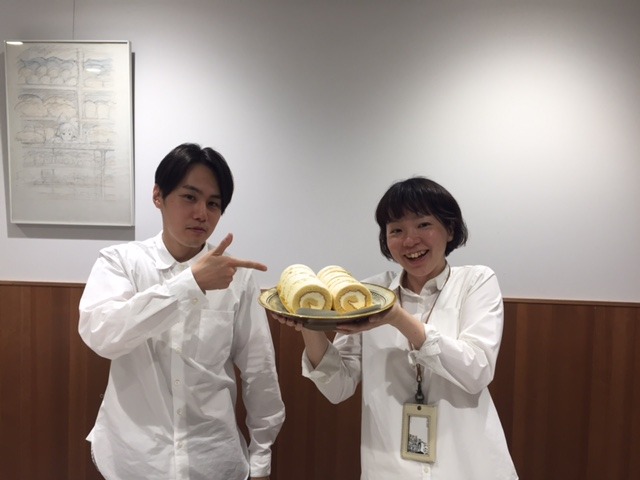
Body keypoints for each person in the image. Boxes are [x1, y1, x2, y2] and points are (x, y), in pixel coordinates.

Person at [276, 176, 518, 479]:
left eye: (423, 225)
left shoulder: (475, 282)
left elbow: (477, 371)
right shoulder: (370, 294)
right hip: (390, 467)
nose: (410, 240)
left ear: (450, 229)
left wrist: (397, 318)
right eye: (396, 230)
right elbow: (338, 388)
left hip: (467, 464)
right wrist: (308, 323)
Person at [79, 143, 285, 480]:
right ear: (158, 196)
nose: (202, 213)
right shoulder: (120, 262)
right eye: (190, 197)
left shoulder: (237, 278)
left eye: (213, 203)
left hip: (214, 459)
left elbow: (259, 370)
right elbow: (102, 336)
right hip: (133, 459)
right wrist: (189, 285)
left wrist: (261, 455)